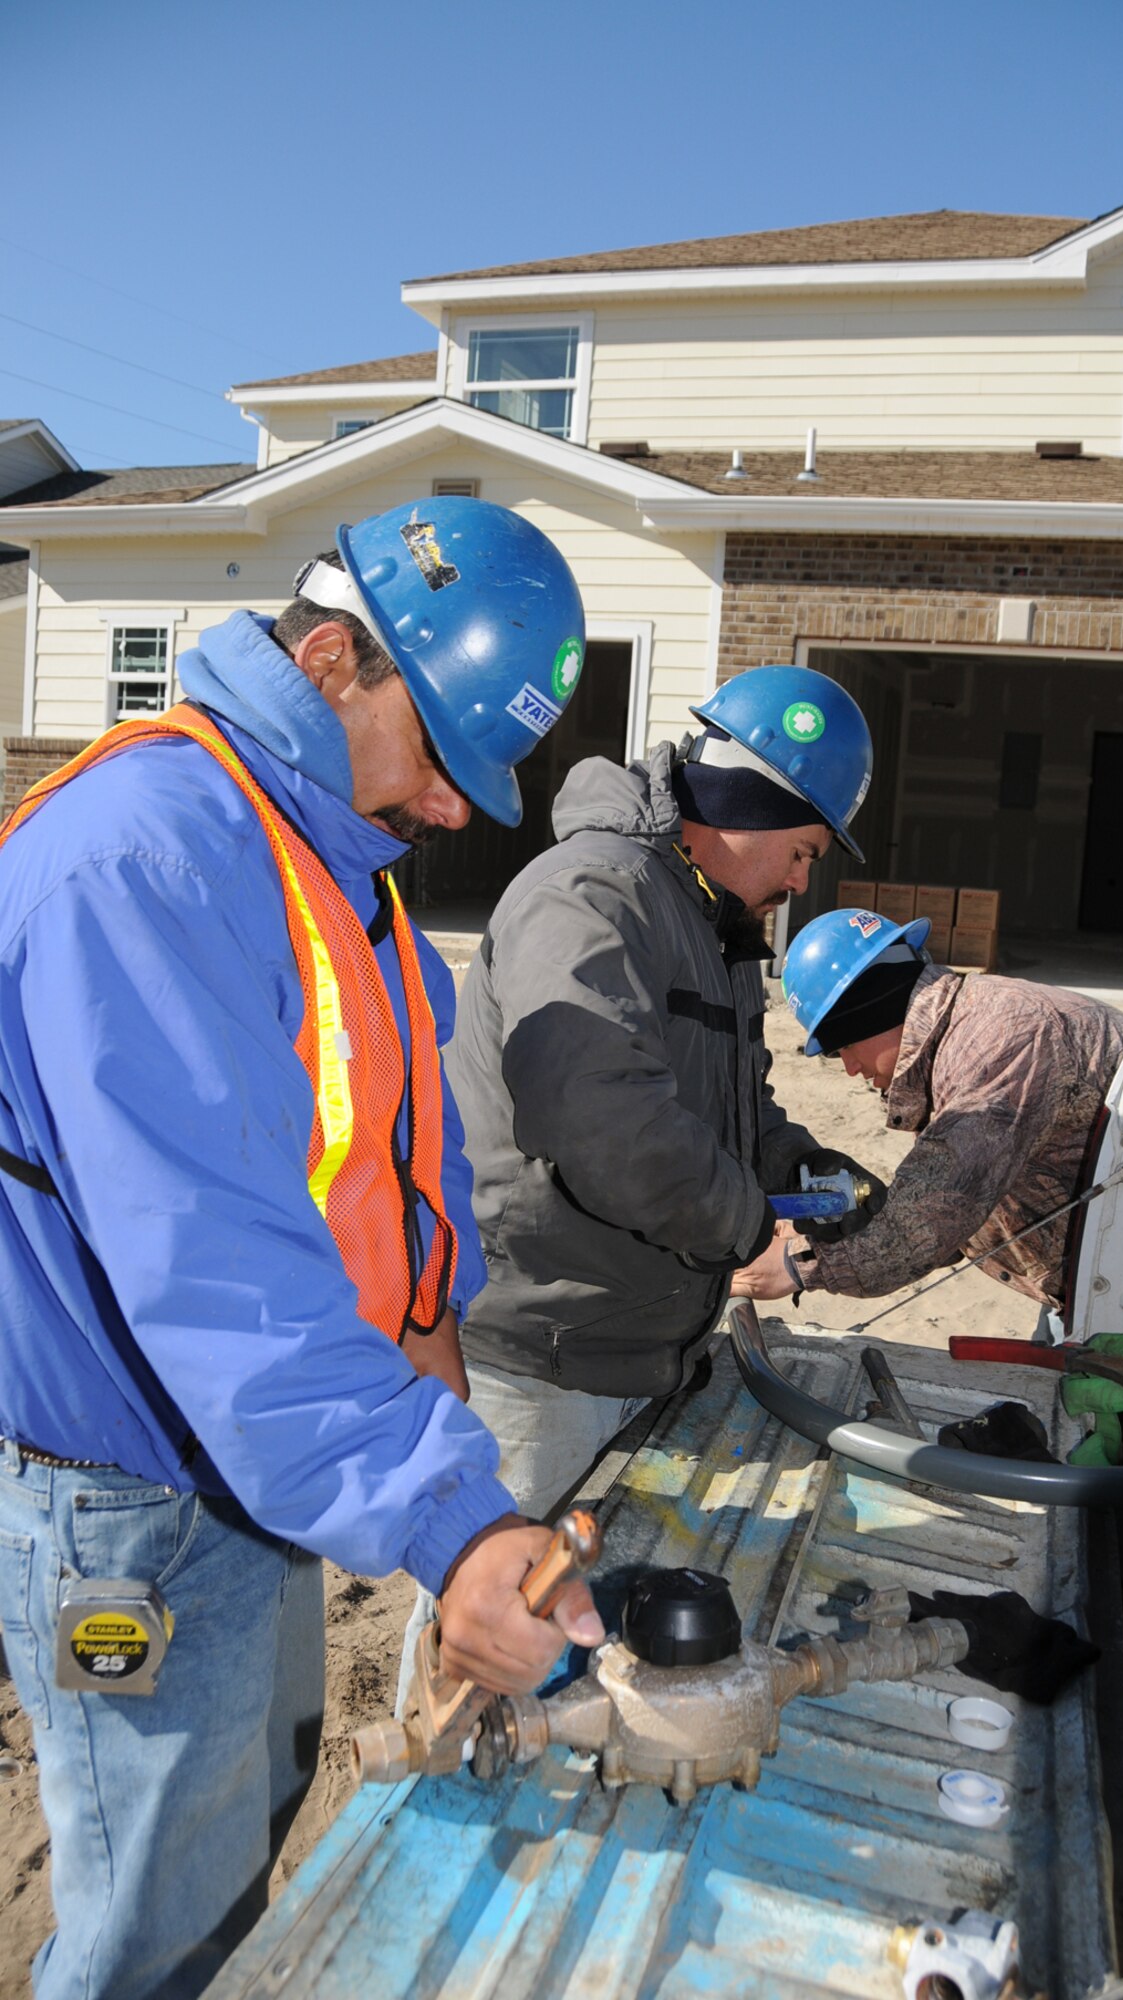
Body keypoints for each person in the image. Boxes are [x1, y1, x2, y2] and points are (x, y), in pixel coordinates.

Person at [0, 495, 605, 2000]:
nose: (459, 809)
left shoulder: (332, 861)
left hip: (255, 1467)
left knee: (230, 1855)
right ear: (335, 659)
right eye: (443, 761)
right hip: (134, 1495)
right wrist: (441, 1519)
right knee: (155, 1928)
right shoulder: (144, 859)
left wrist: (451, 1446)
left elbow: (399, 1175)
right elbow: (215, 1262)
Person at [447, 665, 882, 1519]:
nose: (801, 882)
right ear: (749, 809)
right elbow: (603, 1120)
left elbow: (733, 1105)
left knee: (585, 1628)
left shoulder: (707, 921)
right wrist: (748, 1221)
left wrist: (800, 1166)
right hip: (542, 1362)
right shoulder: (597, 896)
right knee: (496, 1635)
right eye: (803, 852)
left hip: (638, 1345)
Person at [733, 906, 1123, 1327]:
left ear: (870, 1014)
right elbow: (949, 1205)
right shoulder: (964, 1030)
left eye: (839, 1048)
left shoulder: (995, 1047)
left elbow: (931, 1221)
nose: (850, 1069)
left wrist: (795, 1267)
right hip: (1090, 1281)